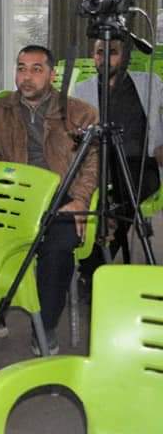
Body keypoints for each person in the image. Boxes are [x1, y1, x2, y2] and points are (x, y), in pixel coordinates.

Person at [0, 45, 97, 355]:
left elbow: (94, 164)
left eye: (36, 69)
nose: (26, 77)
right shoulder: (1, 109)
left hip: (62, 194)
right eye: (21, 68)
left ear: (52, 75)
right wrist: (7, 186)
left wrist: (80, 200)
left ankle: (44, 326)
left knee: (58, 245)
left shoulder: (80, 112)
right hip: (15, 193)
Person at [73, 38, 161, 288]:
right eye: (99, 52)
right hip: (99, 162)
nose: (104, 58)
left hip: (140, 163)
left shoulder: (149, 83)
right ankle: (98, 267)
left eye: (111, 52)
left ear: (125, 57)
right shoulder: (82, 90)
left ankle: (93, 270)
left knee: (121, 200)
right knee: (96, 200)